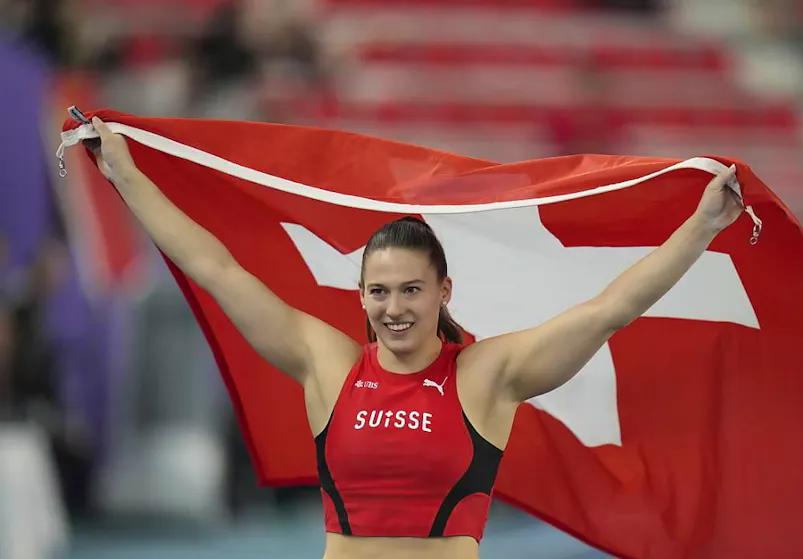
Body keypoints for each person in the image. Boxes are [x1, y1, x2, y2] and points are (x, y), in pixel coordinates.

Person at [85, 116, 743, 559]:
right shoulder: (327, 363)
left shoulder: (487, 375)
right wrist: (126, 175)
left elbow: (610, 308)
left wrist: (702, 225)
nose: (393, 308)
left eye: (410, 290)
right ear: (362, 297)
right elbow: (214, 267)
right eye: (378, 291)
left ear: (443, 294)